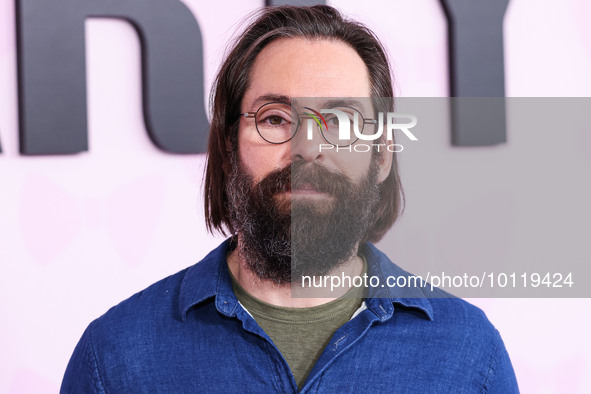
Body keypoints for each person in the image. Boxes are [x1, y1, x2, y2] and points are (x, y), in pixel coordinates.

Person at [61, 5, 518, 393]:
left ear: (381, 156)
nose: (307, 147)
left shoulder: (471, 358)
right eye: (276, 118)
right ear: (227, 148)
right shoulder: (115, 359)